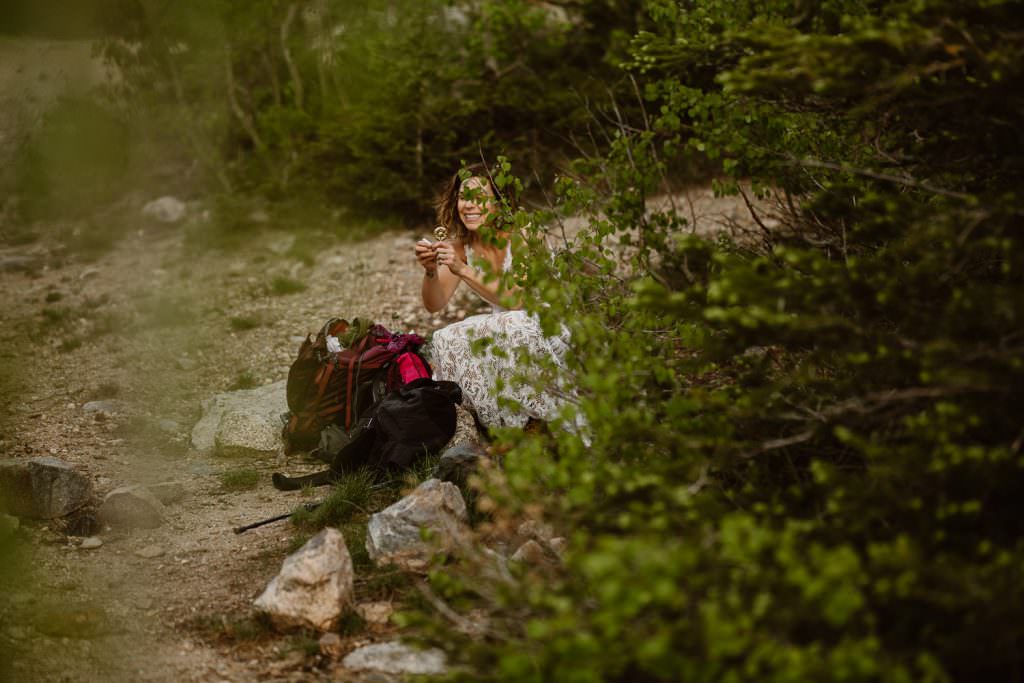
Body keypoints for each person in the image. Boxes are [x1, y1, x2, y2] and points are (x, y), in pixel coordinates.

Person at [414, 164, 573, 431]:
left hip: (547, 323)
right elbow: (434, 304)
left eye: (480, 197)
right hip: (508, 325)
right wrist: (430, 270)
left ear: (500, 203)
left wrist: (463, 269)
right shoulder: (460, 246)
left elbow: (516, 300)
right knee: (444, 337)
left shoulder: (524, 234)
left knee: (511, 325)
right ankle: (493, 424)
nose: (469, 205)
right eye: (464, 197)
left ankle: (537, 420)